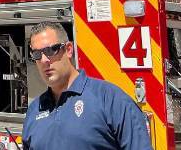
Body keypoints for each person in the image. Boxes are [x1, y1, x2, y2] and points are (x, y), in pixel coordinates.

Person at [22, 21, 152, 149]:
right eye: (37, 54)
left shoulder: (111, 100)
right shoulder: (34, 110)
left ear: (68, 50)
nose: (44, 60)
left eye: (51, 50)